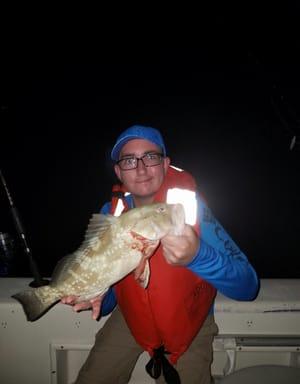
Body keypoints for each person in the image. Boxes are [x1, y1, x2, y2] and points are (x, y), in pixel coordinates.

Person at [62, 125, 259, 384]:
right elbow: (110, 301)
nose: (141, 168)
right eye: (129, 160)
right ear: (119, 171)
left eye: (150, 157)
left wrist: (198, 255)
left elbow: (248, 286)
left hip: (189, 322)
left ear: (166, 164)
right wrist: (98, 292)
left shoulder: (191, 211)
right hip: (131, 316)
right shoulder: (111, 215)